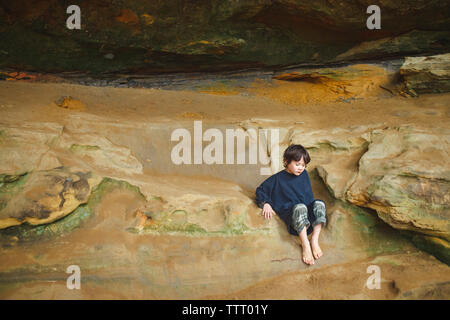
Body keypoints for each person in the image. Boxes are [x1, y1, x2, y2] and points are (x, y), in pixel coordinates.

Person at [255, 144, 327, 265]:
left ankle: (314, 240)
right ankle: (305, 245)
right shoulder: (277, 179)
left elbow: (309, 199)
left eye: (303, 165)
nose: (300, 168)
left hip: (307, 215)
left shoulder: (304, 175)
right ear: (286, 161)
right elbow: (260, 190)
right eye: (297, 164)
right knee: (300, 207)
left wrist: (311, 210)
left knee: (320, 203)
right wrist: (266, 203)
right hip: (294, 216)